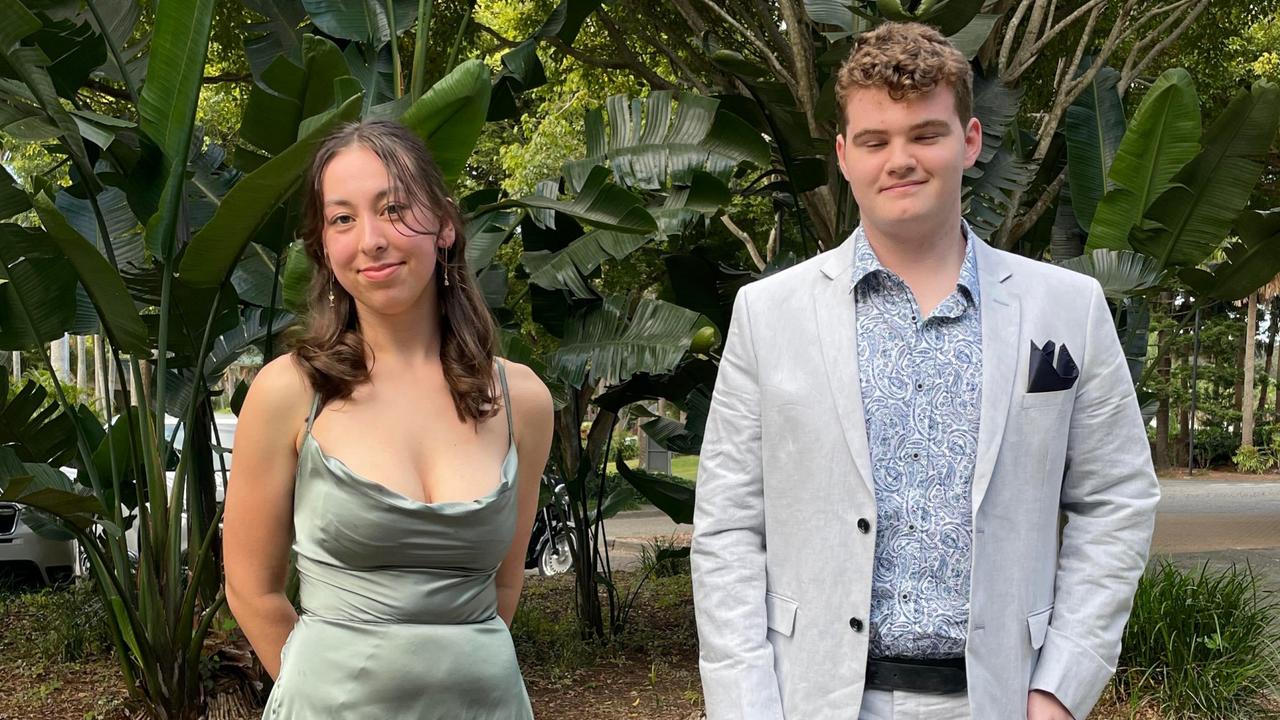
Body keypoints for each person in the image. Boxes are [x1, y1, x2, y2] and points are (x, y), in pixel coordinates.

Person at [690, 22, 1159, 720]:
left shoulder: (1067, 307)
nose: (900, 160)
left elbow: (1117, 500)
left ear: (969, 141)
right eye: (876, 141)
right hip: (813, 699)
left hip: (1000, 700)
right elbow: (728, 527)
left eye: (925, 135)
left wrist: (1060, 688)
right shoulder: (768, 315)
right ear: (845, 157)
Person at [224, 120, 553, 719]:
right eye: (342, 218)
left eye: (394, 207)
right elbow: (251, 587)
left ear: (446, 224)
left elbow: (504, 588)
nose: (371, 239)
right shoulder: (288, 392)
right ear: (323, 244)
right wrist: (319, 691)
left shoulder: (521, 400)